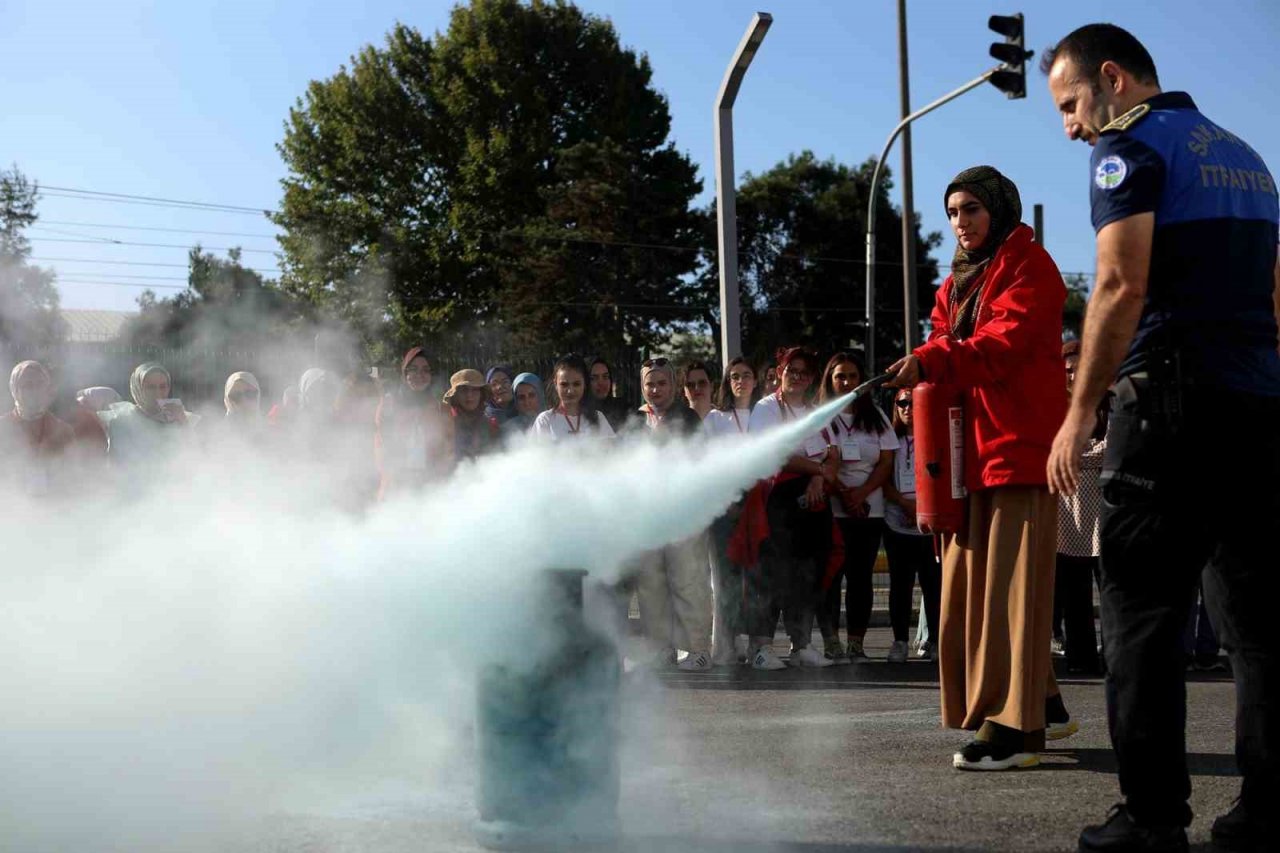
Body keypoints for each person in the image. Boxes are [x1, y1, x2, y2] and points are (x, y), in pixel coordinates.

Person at [1043, 24, 1280, 850]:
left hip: (1167, 409)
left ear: (1112, 79)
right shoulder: (1246, 156)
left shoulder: (1130, 147)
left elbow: (1119, 281)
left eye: (1071, 104)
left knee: (1141, 612)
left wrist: (1079, 412)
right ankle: (1268, 812)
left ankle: (1151, 817)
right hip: (1257, 407)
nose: (1070, 126)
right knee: (1258, 625)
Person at [886, 165, 1072, 771]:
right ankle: (1044, 701)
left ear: (998, 208)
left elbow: (1003, 342)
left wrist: (929, 360)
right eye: (951, 213)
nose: (960, 223)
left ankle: (1015, 729)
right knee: (977, 589)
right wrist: (925, 365)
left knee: (1011, 592)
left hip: (1018, 450)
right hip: (969, 457)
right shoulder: (956, 283)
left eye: (970, 209)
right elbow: (946, 341)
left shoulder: (1031, 267)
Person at [746, 346, 838, 670]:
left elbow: (833, 452)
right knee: (772, 574)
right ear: (780, 372)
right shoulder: (766, 408)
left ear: (812, 379)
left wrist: (818, 480)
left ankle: (802, 645)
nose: (797, 377)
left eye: (804, 373)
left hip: (813, 500)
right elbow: (776, 453)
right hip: (776, 500)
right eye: (792, 371)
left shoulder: (814, 411)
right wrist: (818, 470)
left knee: (807, 574)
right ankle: (761, 647)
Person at [621, 357, 713, 671]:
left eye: (661, 383)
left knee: (688, 580)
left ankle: (697, 649)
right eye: (650, 384)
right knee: (650, 585)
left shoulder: (688, 417)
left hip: (683, 515)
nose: (655, 389)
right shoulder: (635, 420)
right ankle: (661, 649)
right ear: (642, 386)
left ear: (673, 385)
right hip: (646, 517)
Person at [814, 351, 898, 664]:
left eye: (852, 376)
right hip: (832, 511)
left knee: (861, 579)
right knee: (830, 579)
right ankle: (831, 643)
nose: (847, 382)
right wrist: (843, 493)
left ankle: (855, 644)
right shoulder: (820, 416)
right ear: (830, 380)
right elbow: (816, 460)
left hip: (869, 511)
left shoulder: (877, 417)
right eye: (840, 376)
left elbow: (886, 461)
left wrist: (861, 493)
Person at [1054, 339, 1105, 676]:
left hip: (1102, 510)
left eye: (1077, 368)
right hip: (1065, 509)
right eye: (1066, 370)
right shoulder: (1052, 405)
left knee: (1110, 592)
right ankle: (1080, 657)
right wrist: (1083, 454)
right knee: (1074, 592)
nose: (1071, 375)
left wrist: (1071, 455)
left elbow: (1111, 447)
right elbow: (1049, 448)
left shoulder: (1104, 401)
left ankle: (1115, 656)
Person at [703, 356, 759, 664]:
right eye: (734, 376)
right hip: (724, 509)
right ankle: (726, 644)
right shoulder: (715, 418)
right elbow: (707, 462)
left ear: (755, 380)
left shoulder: (764, 414)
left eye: (746, 375)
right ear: (727, 382)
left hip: (758, 505)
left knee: (757, 578)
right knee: (725, 579)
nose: (740, 381)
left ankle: (756, 645)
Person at [882, 386, 941, 664]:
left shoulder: (934, 437)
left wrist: (921, 508)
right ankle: (900, 641)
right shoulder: (889, 440)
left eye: (913, 402)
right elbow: (881, 477)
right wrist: (904, 504)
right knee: (900, 586)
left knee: (933, 585)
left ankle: (935, 641)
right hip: (897, 522)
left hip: (929, 525)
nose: (908, 408)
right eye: (902, 403)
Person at [375, 346, 451, 498]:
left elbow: (447, 448)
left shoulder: (440, 408)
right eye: (413, 369)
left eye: (425, 370)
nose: (419, 375)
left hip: (432, 487)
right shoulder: (389, 404)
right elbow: (382, 445)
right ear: (405, 373)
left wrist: (439, 480)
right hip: (396, 487)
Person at [98, 362, 198, 478]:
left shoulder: (177, 416)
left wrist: (183, 422)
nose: (157, 393)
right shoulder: (123, 420)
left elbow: (196, 457)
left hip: (175, 484)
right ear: (138, 389)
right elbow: (117, 464)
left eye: (163, 387)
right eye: (150, 387)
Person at [1, 360, 74, 497]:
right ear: (14, 390)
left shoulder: (63, 431)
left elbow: (74, 478)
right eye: (27, 385)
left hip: (54, 503)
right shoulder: (3, 429)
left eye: (40, 384)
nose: (34, 391)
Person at [532, 354, 615, 441]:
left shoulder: (598, 417)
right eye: (564, 384)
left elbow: (612, 448)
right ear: (556, 384)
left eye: (576, 384)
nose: (570, 391)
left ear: (585, 384)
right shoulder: (545, 420)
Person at [443, 369, 500, 461]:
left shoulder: (491, 425)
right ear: (455, 396)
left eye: (475, 390)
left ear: (481, 394)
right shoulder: (445, 425)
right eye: (464, 390)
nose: (469, 395)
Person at [588, 356, 629, 431]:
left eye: (605, 377)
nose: (601, 383)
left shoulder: (623, 409)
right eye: (595, 378)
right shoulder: (580, 413)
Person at [500, 372, 544, 441]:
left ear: (540, 395)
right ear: (515, 400)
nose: (527, 402)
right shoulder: (508, 429)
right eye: (521, 397)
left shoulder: (552, 421)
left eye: (531, 395)